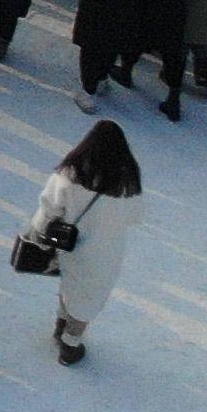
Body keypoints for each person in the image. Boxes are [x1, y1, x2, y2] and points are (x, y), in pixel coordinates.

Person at [23, 119, 141, 365]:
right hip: (105, 252)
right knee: (89, 298)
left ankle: (60, 325)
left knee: (70, 285)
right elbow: (135, 215)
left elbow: (48, 208)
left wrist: (38, 235)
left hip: (70, 246)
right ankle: (70, 345)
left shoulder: (69, 173)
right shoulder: (127, 180)